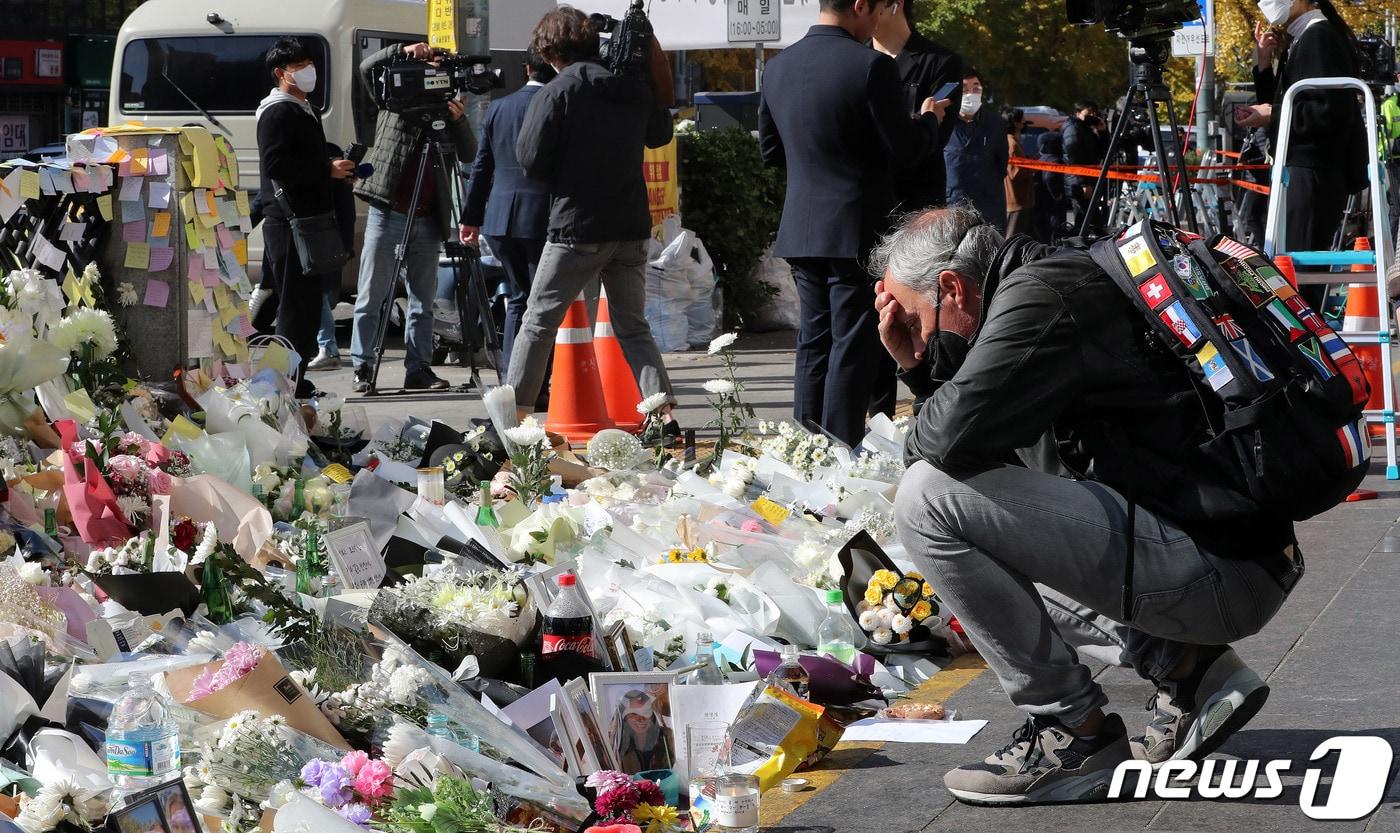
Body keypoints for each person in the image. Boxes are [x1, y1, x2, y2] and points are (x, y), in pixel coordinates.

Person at [874, 206, 1300, 805]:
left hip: (1217, 572)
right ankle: (1188, 667)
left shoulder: (1039, 302)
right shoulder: (1051, 279)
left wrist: (915, 368)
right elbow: (971, 445)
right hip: (1232, 559)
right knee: (980, 525)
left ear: (952, 287)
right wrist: (918, 361)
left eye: (915, 322)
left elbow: (938, 446)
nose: (913, 335)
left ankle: (1072, 734)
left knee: (926, 504)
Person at [759, 0, 947, 447]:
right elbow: (905, 150)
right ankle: (838, 448)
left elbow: (770, 151)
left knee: (813, 339)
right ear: (859, 5)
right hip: (856, 223)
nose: (878, 21)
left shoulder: (778, 66)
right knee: (851, 342)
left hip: (802, 223)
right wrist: (927, 120)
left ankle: (804, 447)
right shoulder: (871, 67)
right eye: (876, 11)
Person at [510, 7, 680, 434]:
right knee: (633, 326)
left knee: (538, 321)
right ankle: (663, 415)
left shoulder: (557, 92)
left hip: (577, 228)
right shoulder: (632, 88)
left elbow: (530, 160)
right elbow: (659, 134)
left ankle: (514, 417)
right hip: (630, 225)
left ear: (549, 51)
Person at [349, 42, 477, 393]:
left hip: (428, 217)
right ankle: (362, 367)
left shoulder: (447, 112)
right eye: (430, 70)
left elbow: (469, 153)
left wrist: (459, 119)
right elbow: (365, 69)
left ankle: (418, 368)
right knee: (371, 295)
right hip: (387, 210)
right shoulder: (394, 97)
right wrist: (402, 51)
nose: (434, 79)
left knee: (423, 301)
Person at [868, 0, 964, 419]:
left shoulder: (939, 62)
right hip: (867, 209)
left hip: (918, 214)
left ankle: (932, 412)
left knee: (925, 319)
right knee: (873, 319)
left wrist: (907, 129)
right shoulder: (856, 60)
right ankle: (876, 422)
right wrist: (914, 122)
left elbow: (930, 144)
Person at [255, 37, 355, 398]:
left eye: (309, 63)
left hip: (309, 220)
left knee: (308, 307)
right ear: (282, 73)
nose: (308, 71)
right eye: (299, 67)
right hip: (289, 223)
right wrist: (325, 168)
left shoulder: (302, 107)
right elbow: (275, 165)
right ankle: (278, 385)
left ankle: (293, 379)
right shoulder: (277, 111)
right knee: (294, 310)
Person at [1234, 0, 1364, 260]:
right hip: (1301, 169)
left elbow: (1328, 112)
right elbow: (1281, 105)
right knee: (1291, 266)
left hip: (1313, 171)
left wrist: (1273, 113)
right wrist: (1263, 65)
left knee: (1298, 269)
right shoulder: (1302, 38)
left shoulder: (1319, 36)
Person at [461, 52, 556, 386]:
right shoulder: (557, 103)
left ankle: (513, 380)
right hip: (541, 216)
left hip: (500, 218)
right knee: (541, 304)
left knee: (519, 298)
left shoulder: (500, 107)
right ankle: (538, 382)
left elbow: (481, 167)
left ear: (526, 69)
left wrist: (470, 218)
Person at [944, 70, 1008, 229]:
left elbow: (1001, 164)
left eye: (976, 87)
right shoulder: (943, 122)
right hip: (952, 205)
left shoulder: (996, 124)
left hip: (988, 207)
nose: (970, 93)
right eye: (965, 88)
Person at [1061, 99, 1107, 228]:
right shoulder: (1073, 129)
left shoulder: (1087, 129)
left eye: (1094, 112)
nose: (1092, 115)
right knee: (1088, 219)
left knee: (1086, 220)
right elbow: (1073, 157)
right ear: (1078, 113)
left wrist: (1103, 132)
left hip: (1088, 177)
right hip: (1078, 181)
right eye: (1089, 112)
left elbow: (1103, 152)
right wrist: (1083, 183)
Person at [610, 690, 675, 774]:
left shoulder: (668, 737)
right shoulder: (616, 743)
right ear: (624, 717)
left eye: (646, 712)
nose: (641, 719)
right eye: (634, 713)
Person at [1001, 106, 1036, 240]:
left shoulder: (1012, 142)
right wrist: (1032, 168)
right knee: (1012, 238)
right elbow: (1014, 173)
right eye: (1022, 121)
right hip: (1016, 199)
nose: (1024, 123)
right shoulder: (1012, 144)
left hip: (1020, 199)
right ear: (1015, 123)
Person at [1032, 130, 1066, 243]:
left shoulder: (1040, 159)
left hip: (1040, 203)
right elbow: (1050, 178)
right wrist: (1057, 194)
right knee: (1055, 233)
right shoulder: (1055, 160)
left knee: (1044, 234)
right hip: (1053, 204)